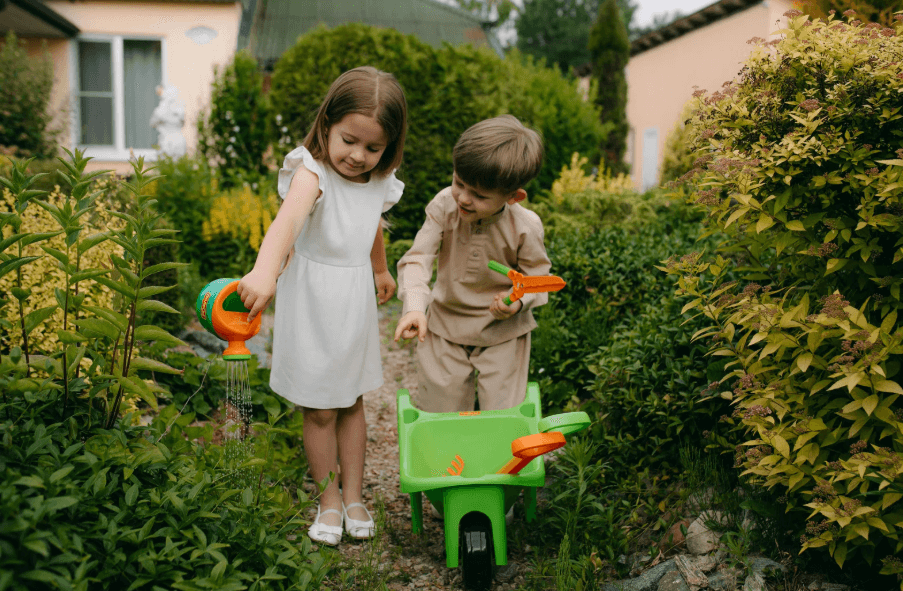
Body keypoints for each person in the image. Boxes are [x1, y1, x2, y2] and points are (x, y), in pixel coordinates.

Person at [237, 66, 407, 546]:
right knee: (319, 408)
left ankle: (355, 495)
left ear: (388, 148)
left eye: (373, 148)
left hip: (352, 298)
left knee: (352, 399)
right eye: (349, 140)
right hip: (312, 298)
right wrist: (264, 272)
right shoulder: (311, 173)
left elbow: (372, 222)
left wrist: (379, 269)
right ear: (327, 123)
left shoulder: (379, 178)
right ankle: (328, 498)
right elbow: (286, 223)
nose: (358, 156)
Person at [394, 114, 550, 414]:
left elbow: (538, 276)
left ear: (514, 197)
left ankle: (498, 461)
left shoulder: (525, 226)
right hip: (444, 326)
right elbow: (417, 258)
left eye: (479, 195)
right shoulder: (444, 206)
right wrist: (414, 306)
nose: (463, 198)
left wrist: (517, 302)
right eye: (459, 183)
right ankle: (446, 462)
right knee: (440, 410)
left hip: (503, 331)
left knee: (502, 415)